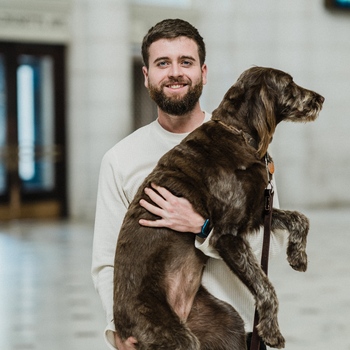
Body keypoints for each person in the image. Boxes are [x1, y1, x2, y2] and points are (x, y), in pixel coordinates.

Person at [92, 18, 286, 350]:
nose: (175, 72)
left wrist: (203, 226)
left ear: (203, 72)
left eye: (186, 62)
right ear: (146, 76)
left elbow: (268, 242)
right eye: (162, 63)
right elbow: (107, 261)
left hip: (234, 336)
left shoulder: (244, 145)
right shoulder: (120, 159)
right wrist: (121, 330)